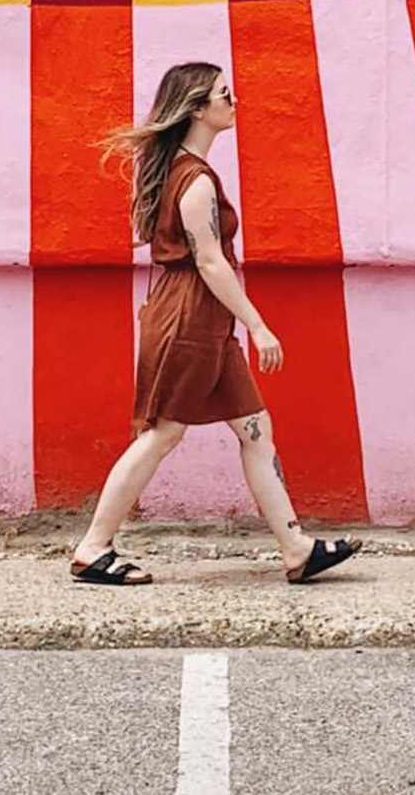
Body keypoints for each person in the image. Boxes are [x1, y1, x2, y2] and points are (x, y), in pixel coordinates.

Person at [67, 61, 364, 588]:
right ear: (199, 109)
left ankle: (296, 549)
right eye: (225, 95)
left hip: (202, 318)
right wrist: (258, 325)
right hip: (189, 316)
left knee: (255, 429)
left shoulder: (181, 169)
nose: (234, 102)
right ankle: (93, 548)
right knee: (161, 434)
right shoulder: (196, 180)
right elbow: (209, 261)